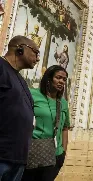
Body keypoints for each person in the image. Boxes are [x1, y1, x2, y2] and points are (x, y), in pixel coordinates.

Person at [0, 35, 40, 181]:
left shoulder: (21, 79)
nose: (38, 58)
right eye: (36, 52)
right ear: (20, 49)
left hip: (18, 158)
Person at [21, 65, 70, 181]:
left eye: (64, 79)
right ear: (48, 78)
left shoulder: (63, 103)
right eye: (58, 78)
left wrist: (63, 151)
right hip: (32, 151)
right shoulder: (32, 95)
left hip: (55, 156)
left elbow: (65, 127)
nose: (62, 81)